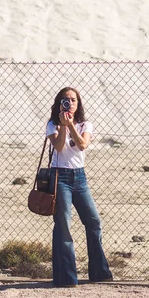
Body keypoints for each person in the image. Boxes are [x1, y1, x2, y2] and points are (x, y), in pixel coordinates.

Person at [46, 87, 113, 287]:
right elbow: (58, 147)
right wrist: (63, 126)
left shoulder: (85, 124)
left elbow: (83, 145)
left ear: (78, 103)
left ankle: (99, 272)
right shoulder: (52, 124)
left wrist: (71, 125)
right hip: (60, 176)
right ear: (59, 103)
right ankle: (66, 277)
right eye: (65, 100)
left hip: (80, 177)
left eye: (73, 100)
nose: (70, 103)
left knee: (94, 221)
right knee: (64, 225)